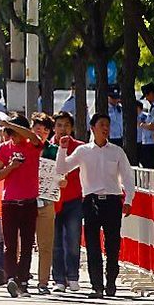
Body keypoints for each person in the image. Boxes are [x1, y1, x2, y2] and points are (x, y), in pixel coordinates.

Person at [57, 113, 135, 298]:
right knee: (92, 245)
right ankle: (96, 286)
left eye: (107, 125)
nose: (105, 128)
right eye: (101, 125)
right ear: (93, 128)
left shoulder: (116, 152)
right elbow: (62, 169)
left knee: (113, 244)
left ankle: (111, 283)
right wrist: (62, 149)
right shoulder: (84, 151)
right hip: (91, 201)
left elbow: (127, 177)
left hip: (113, 201)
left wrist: (129, 199)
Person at [0, 113, 44, 297]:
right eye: (10, 133)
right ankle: (11, 279)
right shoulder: (3, 148)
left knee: (27, 244)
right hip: (9, 202)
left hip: (29, 201)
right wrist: (11, 167)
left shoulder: (32, 146)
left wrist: (11, 124)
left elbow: (33, 137)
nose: (14, 137)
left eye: (16, 132)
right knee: (10, 244)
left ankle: (23, 281)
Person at [51, 111, 84, 293]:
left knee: (72, 240)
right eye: (59, 125)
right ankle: (58, 279)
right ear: (54, 128)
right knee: (55, 242)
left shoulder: (80, 148)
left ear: (72, 128)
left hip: (74, 199)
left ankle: (73, 277)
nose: (63, 129)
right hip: (53, 200)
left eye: (66, 125)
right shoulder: (47, 148)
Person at [30, 113, 60, 295]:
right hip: (25, 201)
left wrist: (62, 180)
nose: (40, 132)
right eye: (37, 129)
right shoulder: (24, 149)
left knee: (45, 244)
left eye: (45, 130)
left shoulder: (54, 151)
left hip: (47, 201)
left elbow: (61, 172)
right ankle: (21, 277)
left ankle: (43, 282)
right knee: (22, 243)